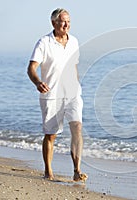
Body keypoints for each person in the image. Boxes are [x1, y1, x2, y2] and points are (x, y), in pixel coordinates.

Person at [27, 8, 87, 182]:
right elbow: (31, 68)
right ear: (53, 23)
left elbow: (73, 65)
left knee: (77, 128)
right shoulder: (44, 43)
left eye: (69, 21)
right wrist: (38, 82)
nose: (67, 25)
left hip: (73, 93)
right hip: (51, 95)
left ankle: (77, 170)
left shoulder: (74, 41)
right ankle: (48, 171)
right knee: (51, 134)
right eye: (63, 21)